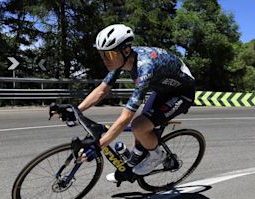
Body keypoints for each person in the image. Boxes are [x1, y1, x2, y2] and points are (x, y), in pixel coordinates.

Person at [77, 24, 196, 182]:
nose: (106, 60)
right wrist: (76, 110)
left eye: (110, 55)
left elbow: (126, 116)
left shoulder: (144, 67)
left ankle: (158, 155)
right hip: (163, 90)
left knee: (138, 125)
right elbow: (102, 90)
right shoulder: (122, 60)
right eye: (103, 55)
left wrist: (99, 146)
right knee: (140, 127)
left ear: (126, 50)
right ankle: (135, 158)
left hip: (182, 93)